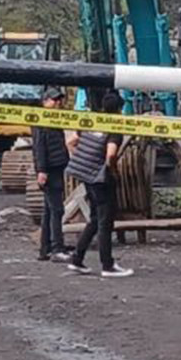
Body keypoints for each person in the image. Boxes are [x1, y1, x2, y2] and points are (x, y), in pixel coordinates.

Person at [65, 91, 133, 278]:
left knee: (95, 219)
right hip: (101, 180)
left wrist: (78, 158)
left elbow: (71, 141)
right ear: (119, 110)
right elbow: (110, 155)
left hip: (86, 176)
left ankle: (77, 259)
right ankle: (107, 265)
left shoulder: (93, 120)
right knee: (105, 221)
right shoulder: (114, 128)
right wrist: (112, 170)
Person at [32, 86, 71, 262]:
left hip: (57, 167)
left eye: (59, 100)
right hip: (50, 169)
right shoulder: (41, 121)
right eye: (54, 100)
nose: (58, 103)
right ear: (45, 101)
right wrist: (41, 170)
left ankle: (45, 248)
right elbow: (39, 147)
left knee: (49, 210)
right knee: (57, 210)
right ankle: (57, 249)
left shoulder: (54, 119)